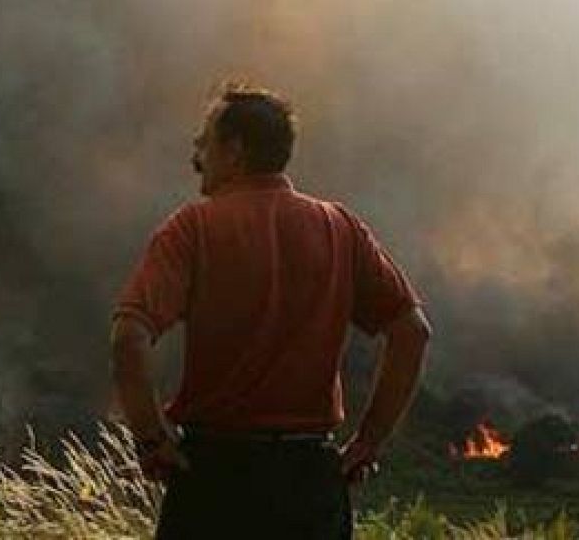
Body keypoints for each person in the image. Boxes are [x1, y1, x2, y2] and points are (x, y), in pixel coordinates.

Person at [111, 84, 432, 540]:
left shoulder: (193, 228)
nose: (196, 156)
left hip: (215, 480)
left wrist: (152, 440)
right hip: (308, 485)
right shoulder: (339, 228)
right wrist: (368, 442)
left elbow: (128, 337)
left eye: (205, 142)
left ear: (235, 151)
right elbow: (412, 331)